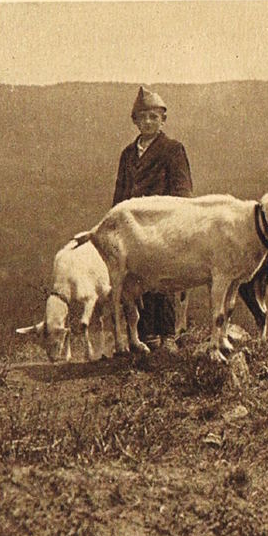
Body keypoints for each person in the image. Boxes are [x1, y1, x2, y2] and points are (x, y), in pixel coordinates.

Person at [112, 86, 193, 353]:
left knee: (165, 278)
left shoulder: (172, 149)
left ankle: (168, 334)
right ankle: (145, 336)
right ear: (135, 121)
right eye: (142, 117)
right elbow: (120, 194)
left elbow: (182, 191)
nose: (148, 122)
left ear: (163, 120)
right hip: (134, 229)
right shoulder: (127, 154)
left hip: (163, 225)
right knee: (137, 279)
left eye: (154, 117)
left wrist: (178, 223)